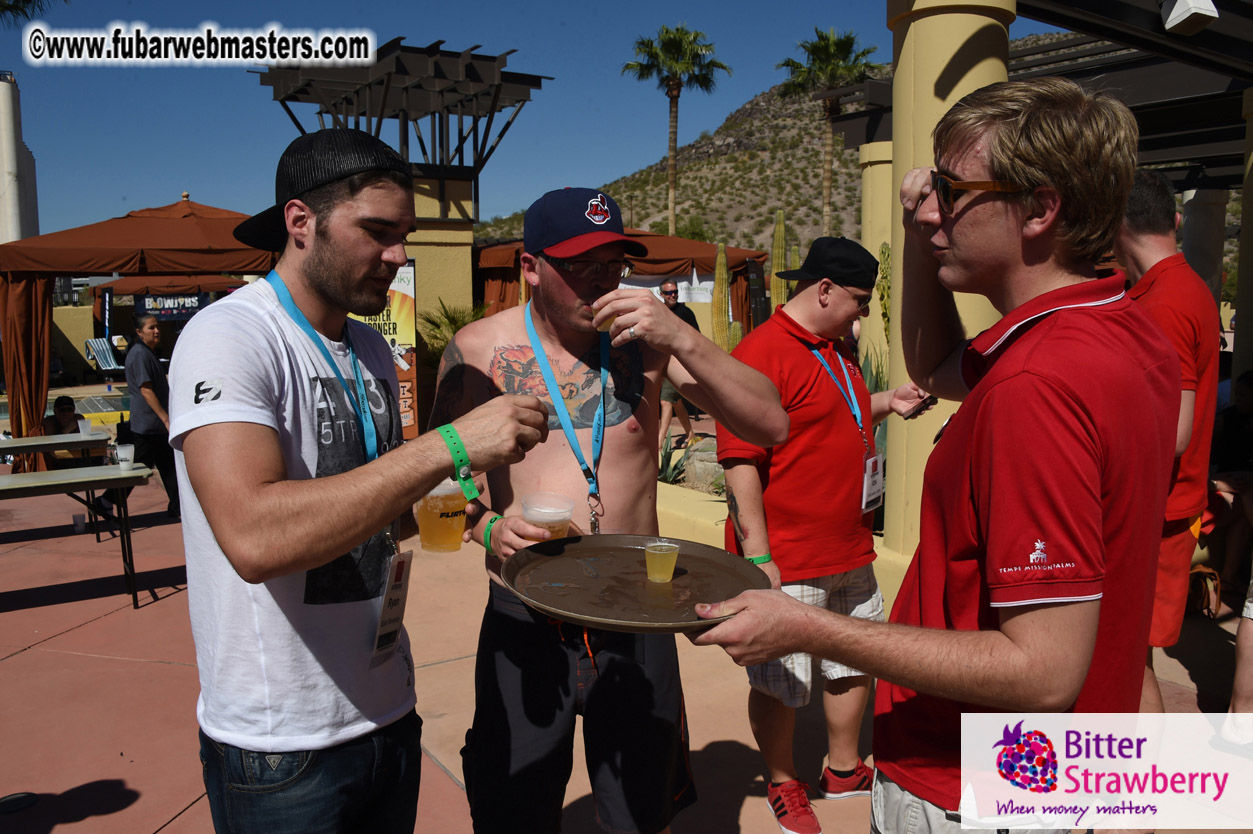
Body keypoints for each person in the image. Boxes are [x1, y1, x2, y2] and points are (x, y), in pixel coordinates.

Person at [694, 77, 1180, 832]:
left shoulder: (1036, 385)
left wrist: (803, 628)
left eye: (951, 191)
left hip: (978, 782)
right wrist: (920, 231)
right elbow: (934, 365)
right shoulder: (1119, 330)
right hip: (1076, 766)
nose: (931, 209)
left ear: (1039, 208)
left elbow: (1043, 670)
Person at [168, 128, 549, 834]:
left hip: (387, 709)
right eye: (377, 232)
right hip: (283, 743)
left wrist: (480, 517)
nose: (398, 256)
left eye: (403, 236)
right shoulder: (230, 336)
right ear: (300, 222)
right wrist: (449, 445)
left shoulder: (370, 345)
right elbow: (254, 539)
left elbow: (380, 503)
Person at [429, 186, 788, 834]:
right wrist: (487, 527)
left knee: (640, 813)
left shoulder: (648, 345)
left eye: (612, 263)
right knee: (513, 809)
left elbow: (770, 424)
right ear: (531, 267)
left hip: (637, 611)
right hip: (525, 615)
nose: (601, 279)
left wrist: (680, 335)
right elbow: (431, 481)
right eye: (579, 264)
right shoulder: (477, 350)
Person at [717, 236, 932, 834]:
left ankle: (842, 769)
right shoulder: (762, 353)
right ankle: (783, 782)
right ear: (826, 290)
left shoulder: (836, 349)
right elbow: (739, 461)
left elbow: (834, 414)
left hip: (849, 548)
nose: (863, 312)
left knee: (852, 663)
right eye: (859, 300)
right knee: (781, 680)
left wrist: (888, 401)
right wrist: (758, 557)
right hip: (789, 558)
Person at [1112, 168, 1221, 712]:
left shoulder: (1164, 303)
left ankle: (1146, 765)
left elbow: (1173, 432)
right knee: (1129, 658)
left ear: (1116, 225)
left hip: (1156, 513)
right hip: (1164, 508)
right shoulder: (1180, 285)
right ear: (1174, 220)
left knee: (1126, 661)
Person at [124, 314, 180, 518]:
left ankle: (177, 505)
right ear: (139, 332)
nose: (156, 331)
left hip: (154, 425)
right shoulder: (140, 354)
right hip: (148, 424)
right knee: (138, 468)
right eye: (151, 328)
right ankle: (107, 500)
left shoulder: (148, 352)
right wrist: (165, 418)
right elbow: (146, 390)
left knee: (168, 465)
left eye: (157, 327)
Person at [657, 279, 699, 449]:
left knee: (666, 401)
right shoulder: (659, 312)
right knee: (676, 401)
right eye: (669, 293)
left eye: (675, 292)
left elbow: (696, 337)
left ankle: (659, 443)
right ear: (661, 294)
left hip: (678, 362)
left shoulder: (685, 313)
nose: (673, 295)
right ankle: (690, 434)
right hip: (661, 361)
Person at [40, 394, 89, 470]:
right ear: (55, 411)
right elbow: (52, 451)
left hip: (76, 461)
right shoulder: (50, 422)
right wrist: (66, 430)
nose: (66, 413)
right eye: (62, 410)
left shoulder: (78, 419)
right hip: (57, 464)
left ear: (74, 411)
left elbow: (85, 443)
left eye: (70, 410)